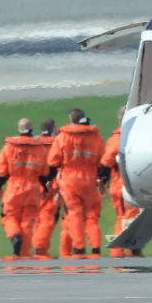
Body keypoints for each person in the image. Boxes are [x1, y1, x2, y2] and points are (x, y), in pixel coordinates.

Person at [47, 108, 106, 256]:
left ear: (71, 120)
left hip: (69, 179)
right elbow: (103, 160)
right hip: (90, 178)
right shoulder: (96, 137)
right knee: (91, 214)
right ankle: (96, 247)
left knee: (74, 213)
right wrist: (102, 180)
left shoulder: (62, 137)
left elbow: (53, 160)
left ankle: (79, 248)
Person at [0, 118, 48, 258]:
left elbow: (2, 170)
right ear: (32, 129)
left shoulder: (9, 147)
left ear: (19, 129)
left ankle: (14, 236)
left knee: (9, 216)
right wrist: (45, 188)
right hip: (33, 188)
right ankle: (23, 254)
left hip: (14, 187)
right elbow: (44, 173)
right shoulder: (40, 148)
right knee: (28, 221)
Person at [100, 106, 140, 257]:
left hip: (124, 184)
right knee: (126, 217)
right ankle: (119, 251)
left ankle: (131, 250)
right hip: (123, 185)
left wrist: (103, 180)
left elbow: (106, 163)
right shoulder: (123, 138)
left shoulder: (118, 138)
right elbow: (107, 161)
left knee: (130, 217)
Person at [33, 118, 60, 258]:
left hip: (34, 183)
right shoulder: (57, 143)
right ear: (53, 128)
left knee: (38, 217)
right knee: (48, 217)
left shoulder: (34, 143)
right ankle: (40, 247)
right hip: (52, 184)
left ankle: (41, 248)